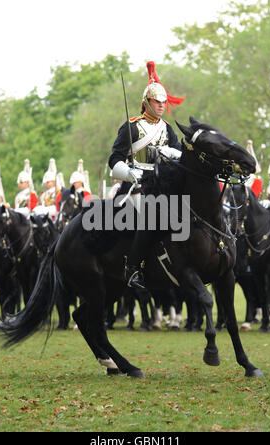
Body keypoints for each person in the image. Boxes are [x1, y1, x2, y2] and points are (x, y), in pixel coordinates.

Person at [108, 61, 184, 289]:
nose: (161, 106)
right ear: (146, 102)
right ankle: (132, 268)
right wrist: (131, 173)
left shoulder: (168, 129)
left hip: (162, 183)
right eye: (156, 101)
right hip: (136, 184)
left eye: (163, 102)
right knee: (150, 216)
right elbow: (114, 160)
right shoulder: (131, 127)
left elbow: (179, 157)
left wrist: (170, 152)